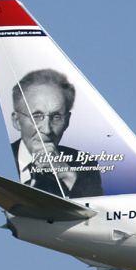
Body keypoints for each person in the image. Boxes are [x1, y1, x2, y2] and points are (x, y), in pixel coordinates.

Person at [10, 69, 103, 198]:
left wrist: (67, 175)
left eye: (56, 117)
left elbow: (97, 212)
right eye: (37, 116)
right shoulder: (0, 159)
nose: (47, 130)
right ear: (16, 121)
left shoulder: (83, 163)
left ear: (67, 121)